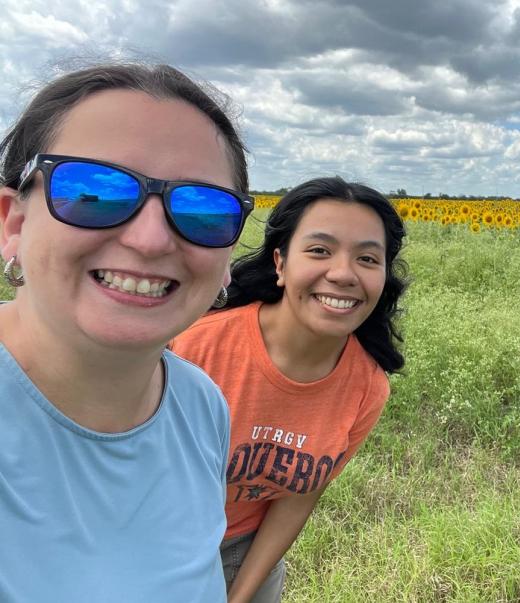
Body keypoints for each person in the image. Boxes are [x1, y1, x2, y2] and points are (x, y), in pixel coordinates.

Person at [0, 63, 254, 601]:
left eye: (202, 209)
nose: (150, 239)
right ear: (13, 223)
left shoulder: (200, 404)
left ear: (228, 257)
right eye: (95, 192)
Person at [170, 176, 407, 602]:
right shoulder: (193, 345)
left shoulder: (366, 387)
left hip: (245, 549)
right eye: (319, 250)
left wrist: (240, 595)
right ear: (280, 263)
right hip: (150, 540)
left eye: (368, 259)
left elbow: (298, 497)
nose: (343, 274)